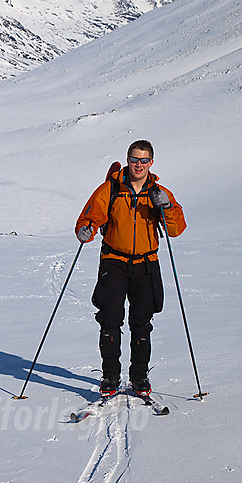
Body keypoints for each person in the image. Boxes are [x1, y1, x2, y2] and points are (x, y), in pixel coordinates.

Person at [75, 140, 186, 397]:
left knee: (141, 321)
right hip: (114, 261)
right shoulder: (110, 189)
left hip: (146, 263)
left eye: (144, 160)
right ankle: (110, 376)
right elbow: (90, 217)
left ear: (151, 162)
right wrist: (86, 230)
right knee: (110, 318)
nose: (139, 164)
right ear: (128, 159)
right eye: (135, 159)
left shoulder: (158, 193)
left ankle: (139, 376)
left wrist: (167, 206)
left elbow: (176, 229)